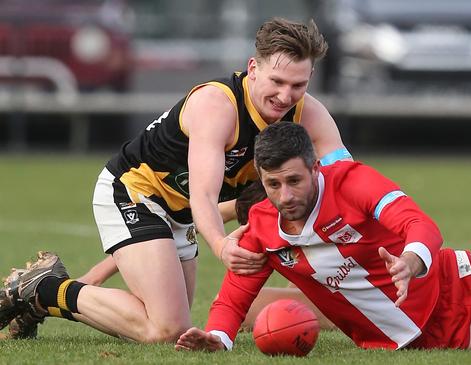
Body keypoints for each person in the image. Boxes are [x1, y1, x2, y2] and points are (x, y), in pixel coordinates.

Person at [0, 18, 348, 342]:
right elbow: (203, 196)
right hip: (134, 191)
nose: (286, 96)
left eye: (298, 85)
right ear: (253, 68)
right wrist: (221, 245)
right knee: (166, 329)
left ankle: (46, 296)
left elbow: (347, 182)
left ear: (311, 77)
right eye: (278, 82)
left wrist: (387, 247)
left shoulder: (310, 114)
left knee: (166, 317)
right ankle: (43, 290)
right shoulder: (217, 105)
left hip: (177, 216)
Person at [174, 122, 471, 352]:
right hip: (424, 333)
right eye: (273, 184)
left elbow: (420, 225)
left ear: (315, 169)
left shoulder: (352, 181)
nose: (284, 195)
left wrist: (415, 260)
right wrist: (217, 337)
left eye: (294, 181)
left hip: (450, 275)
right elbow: (234, 298)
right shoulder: (261, 226)